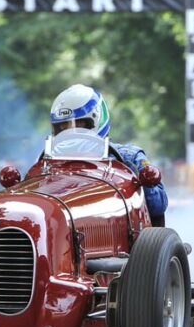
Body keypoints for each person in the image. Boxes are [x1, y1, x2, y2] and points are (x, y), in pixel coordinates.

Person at [50, 84, 168, 227]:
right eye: (63, 127)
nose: (70, 132)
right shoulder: (47, 160)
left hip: (123, 235)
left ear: (96, 119)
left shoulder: (129, 158)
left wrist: (148, 185)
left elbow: (159, 207)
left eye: (78, 124)